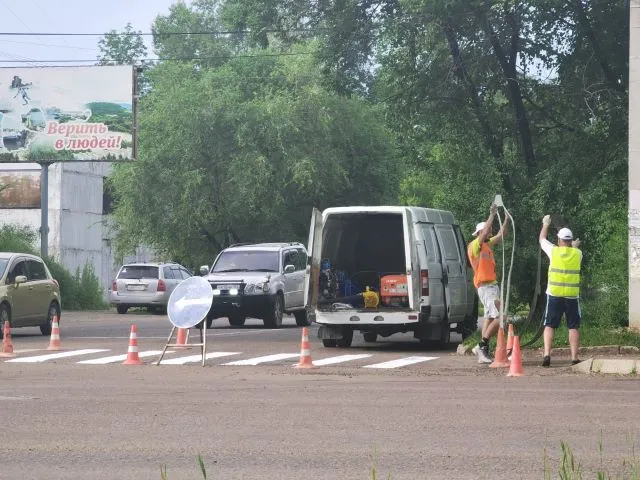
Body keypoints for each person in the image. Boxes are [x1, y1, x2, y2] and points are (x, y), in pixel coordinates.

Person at [467, 203, 510, 364]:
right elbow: (486, 232)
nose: (489, 232)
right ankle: (482, 345)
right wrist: (492, 214)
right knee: (501, 316)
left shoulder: (486, 244)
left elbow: (502, 234)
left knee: (488, 318)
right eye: (486, 230)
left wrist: (505, 218)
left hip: (491, 286)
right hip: (486, 287)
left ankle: (483, 350)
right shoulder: (475, 246)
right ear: (479, 233)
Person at [539, 215, 583, 367]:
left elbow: (542, 239)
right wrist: (575, 247)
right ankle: (574, 358)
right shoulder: (578, 254)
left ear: (559, 240)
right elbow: (572, 254)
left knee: (550, 325)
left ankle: (546, 355)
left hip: (554, 295)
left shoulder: (553, 251)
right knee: (573, 326)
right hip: (571, 297)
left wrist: (545, 224)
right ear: (571, 241)